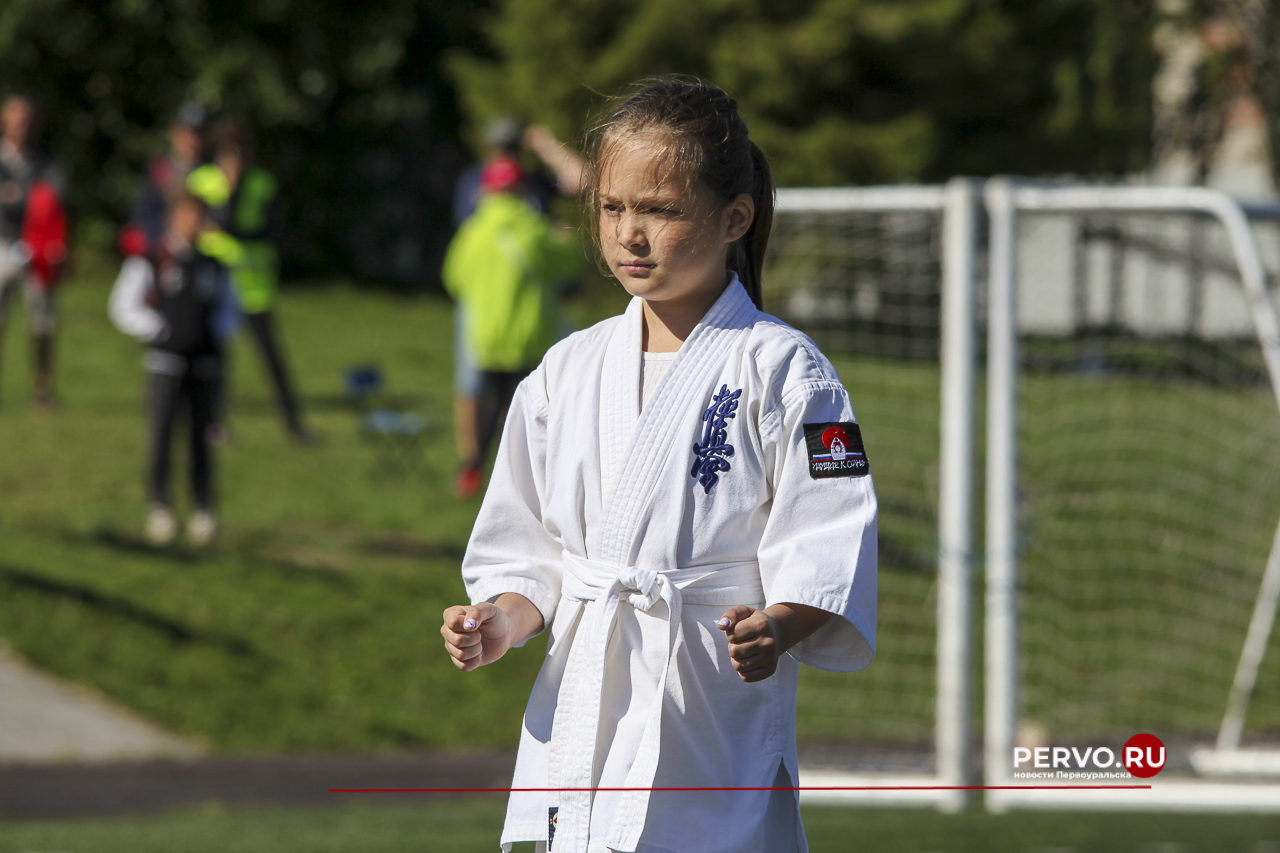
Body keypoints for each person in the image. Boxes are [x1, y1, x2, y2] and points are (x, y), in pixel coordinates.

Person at [439, 79, 878, 853]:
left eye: (661, 210)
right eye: (612, 207)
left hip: (707, 700)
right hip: (581, 700)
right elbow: (525, 549)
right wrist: (498, 621)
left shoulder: (786, 370)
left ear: (733, 216)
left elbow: (828, 542)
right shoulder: (565, 371)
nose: (630, 233)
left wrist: (777, 623)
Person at [450, 118, 586, 496]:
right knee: (528, 400)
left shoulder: (481, 218)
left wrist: (546, 147)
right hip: (529, 323)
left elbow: (454, 275)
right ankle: (520, 478)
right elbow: (571, 257)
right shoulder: (532, 223)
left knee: (493, 399)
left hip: (489, 323)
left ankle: (475, 469)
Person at [109, 191, 239, 546]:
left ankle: (203, 509)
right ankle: (160, 508)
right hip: (165, 362)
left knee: (201, 437)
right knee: (162, 435)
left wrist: (215, 335)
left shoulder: (213, 264)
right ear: (173, 218)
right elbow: (122, 306)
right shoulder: (153, 259)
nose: (193, 224)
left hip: (204, 364)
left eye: (199, 217)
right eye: (187, 216)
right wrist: (159, 330)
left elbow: (230, 309)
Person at [188, 119, 312, 442]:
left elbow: (270, 232)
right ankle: (213, 423)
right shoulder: (201, 182)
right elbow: (197, 227)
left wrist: (233, 212)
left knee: (271, 357)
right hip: (216, 281)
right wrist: (228, 194)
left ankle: (294, 424)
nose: (236, 162)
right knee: (215, 359)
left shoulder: (261, 183)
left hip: (253, 285)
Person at [0, 93, 67, 411]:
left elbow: (53, 195)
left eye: (25, 120)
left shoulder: (43, 159)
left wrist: (18, 196)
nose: (20, 126)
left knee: (42, 321)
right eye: (14, 119)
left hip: (37, 246)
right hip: (3, 244)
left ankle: (42, 389)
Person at [120, 103, 205, 256]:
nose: (191, 139)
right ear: (175, 132)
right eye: (187, 132)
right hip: (161, 248)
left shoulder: (210, 172)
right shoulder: (160, 168)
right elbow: (144, 211)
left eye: (197, 133)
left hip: (198, 250)